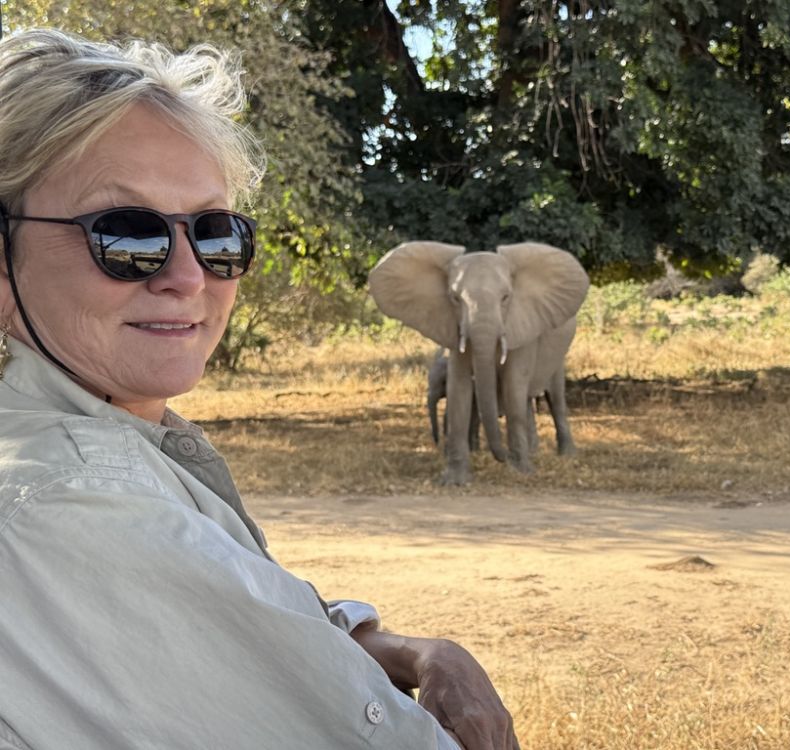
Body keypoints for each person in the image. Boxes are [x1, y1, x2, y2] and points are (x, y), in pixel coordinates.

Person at [0, 29, 518, 750]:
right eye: (126, 235)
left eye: (216, 234)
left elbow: (239, 607)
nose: (188, 277)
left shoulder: (100, 450)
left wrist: (403, 649)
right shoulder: (74, 499)